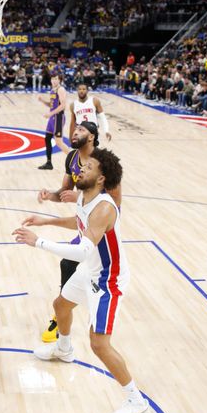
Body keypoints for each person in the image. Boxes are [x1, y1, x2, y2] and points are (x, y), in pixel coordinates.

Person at [14, 148, 149, 413]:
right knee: (61, 305)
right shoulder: (85, 198)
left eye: (88, 167)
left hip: (108, 280)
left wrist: (38, 241)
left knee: (99, 344)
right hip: (91, 269)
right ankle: (64, 349)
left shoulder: (104, 207)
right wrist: (47, 220)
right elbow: (78, 223)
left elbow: (82, 249)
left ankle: (137, 402)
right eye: (82, 165)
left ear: (101, 178)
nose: (80, 169)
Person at [36, 121, 121, 342]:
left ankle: (70, 310)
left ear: (92, 137)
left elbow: (115, 203)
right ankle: (63, 312)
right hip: (83, 221)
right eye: (75, 129)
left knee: (80, 263)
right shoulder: (72, 159)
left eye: (81, 130)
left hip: (100, 223)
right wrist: (49, 195)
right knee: (68, 263)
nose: (75, 132)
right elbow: (64, 192)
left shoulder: (102, 163)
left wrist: (84, 197)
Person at [37, 75, 68, 170]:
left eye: (56, 79)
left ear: (59, 80)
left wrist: (51, 114)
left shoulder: (61, 89)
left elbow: (63, 105)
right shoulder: (53, 90)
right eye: (53, 78)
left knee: (59, 142)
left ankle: (76, 159)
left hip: (58, 117)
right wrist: (42, 101)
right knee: (47, 139)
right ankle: (49, 163)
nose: (54, 80)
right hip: (52, 118)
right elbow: (51, 105)